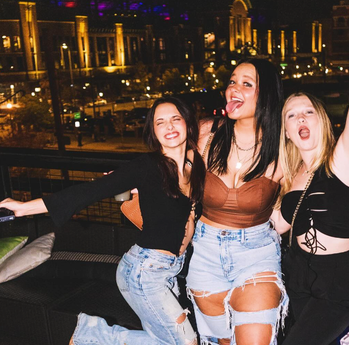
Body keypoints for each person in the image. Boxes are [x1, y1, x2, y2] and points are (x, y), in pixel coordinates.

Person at [0, 96, 206, 345]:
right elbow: (89, 191)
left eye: (175, 119)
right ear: (153, 131)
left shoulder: (194, 163)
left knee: (164, 340)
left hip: (169, 271)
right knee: (186, 343)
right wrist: (24, 208)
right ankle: (94, 333)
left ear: (187, 123)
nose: (169, 127)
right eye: (160, 122)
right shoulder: (147, 166)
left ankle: (93, 334)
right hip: (144, 271)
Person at [270, 2, 349, 344]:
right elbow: (274, 226)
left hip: (341, 277)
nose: (300, 120)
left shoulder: (343, 160)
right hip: (297, 273)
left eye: (307, 112)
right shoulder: (290, 174)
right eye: (291, 116)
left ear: (321, 120)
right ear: (285, 131)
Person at [186, 58, 287, 345]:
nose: (234, 89)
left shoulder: (282, 148)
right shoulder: (207, 134)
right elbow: (169, 164)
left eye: (246, 84)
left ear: (266, 94)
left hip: (256, 256)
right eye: (232, 82)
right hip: (204, 255)